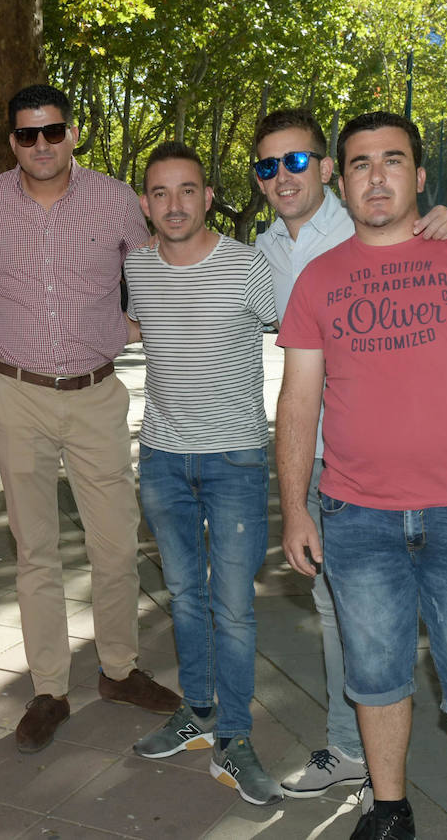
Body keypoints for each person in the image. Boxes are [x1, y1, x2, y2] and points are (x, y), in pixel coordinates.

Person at [275, 112, 447, 840]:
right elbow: (297, 402)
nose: (377, 175)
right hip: (356, 518)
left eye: (392, 160)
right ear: (343, 181)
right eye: (360, 163)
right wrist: (294, 510)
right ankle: (390, 812)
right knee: (374, 677)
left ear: (420, 177)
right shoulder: (317, 281)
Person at [0, 84, 180, 754]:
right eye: (27, 134)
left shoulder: (115, 199)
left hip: (97, 396)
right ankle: (49, 689)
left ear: (73, 133)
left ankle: (120, 671)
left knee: (117, 543)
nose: (41, 144)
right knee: (35, 551)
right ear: (12, 141)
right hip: (18, 396)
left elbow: (154, 273)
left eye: (53, 131)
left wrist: (134, 325)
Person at [250, 108, 447, 805]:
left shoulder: (373, 217)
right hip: (323, 465)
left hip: (412, 469)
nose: (283, 176)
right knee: (344, 616)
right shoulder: (263, 252)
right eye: (268, 166)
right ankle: (356, 754)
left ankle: (369, 759)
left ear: (327, 169)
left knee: (441, 633)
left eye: (297, 161)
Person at [124, 142, 283, 805]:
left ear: (209, 197)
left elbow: (309, 340)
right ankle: (198, 711)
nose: (174, 204)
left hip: (237, 460)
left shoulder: (251, 267)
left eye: (187, 190)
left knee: (234, 609)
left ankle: (237, 738)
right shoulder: (136, 266)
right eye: (160, 193)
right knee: (185, 597)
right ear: (145, 205)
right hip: (162, 459)